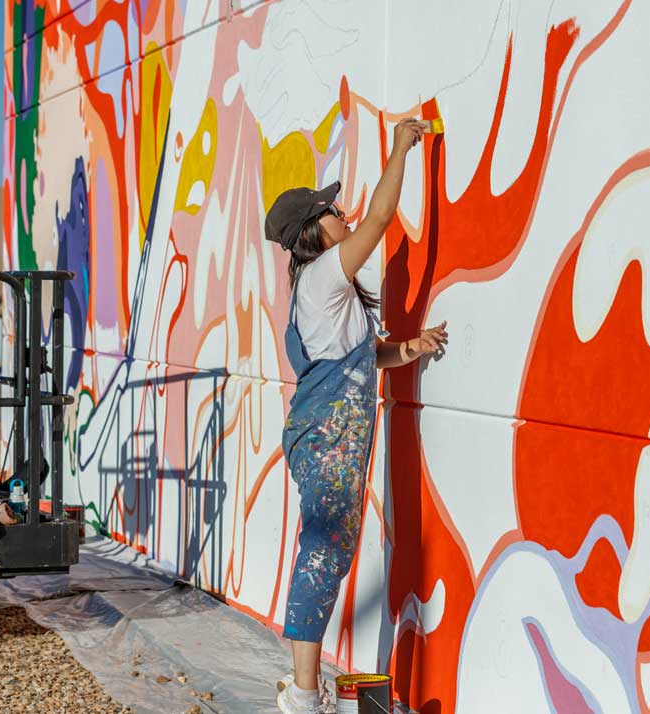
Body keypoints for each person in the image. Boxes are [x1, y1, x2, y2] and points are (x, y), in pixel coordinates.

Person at [265, 118, 449, 714]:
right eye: (331, 212)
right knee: (322, 551)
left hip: (325, 434)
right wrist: (403, 149)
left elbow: (363, 358)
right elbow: (379, 220)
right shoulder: (322, 277)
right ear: (314, 234)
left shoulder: (321, 291)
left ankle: (303, 689)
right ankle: (301, 695)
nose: (342, 214)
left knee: (329, 549)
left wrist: (410, 349)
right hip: (327, 436)